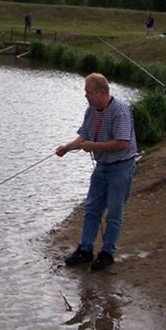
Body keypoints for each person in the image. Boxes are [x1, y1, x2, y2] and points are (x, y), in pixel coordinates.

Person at [57, 73, 137, 271]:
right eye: (86, 92)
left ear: (102, 92)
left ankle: (107, 253)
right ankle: (85, 249)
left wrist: (94, 146)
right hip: (102, 166)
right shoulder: (91, 109)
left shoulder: (120, 111)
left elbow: (122, 143)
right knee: (92, 208)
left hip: (121, 167)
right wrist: (66, 148)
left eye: (89, 92)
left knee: (114, 212)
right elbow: (83, 137)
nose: (86, 96)